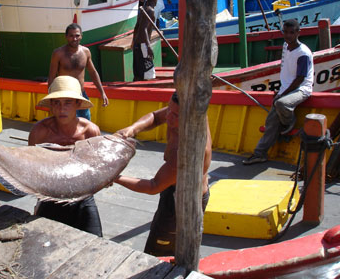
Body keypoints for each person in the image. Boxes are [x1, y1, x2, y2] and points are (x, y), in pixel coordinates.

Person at [114, 92, 212, 256]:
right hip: (172, 187)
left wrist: (114, 178)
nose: (168, 117)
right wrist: (133, 129)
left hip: (183, 203)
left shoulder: (189, 152)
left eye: (175, 115)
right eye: (169, 110)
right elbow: (155, 116)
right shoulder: (183, 111)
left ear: (192, 120)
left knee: (160, 252)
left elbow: (153, 186)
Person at [28, 75, 103, 236]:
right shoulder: (40, 132)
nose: (62, 109)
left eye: (68, 102)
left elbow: (98, 167)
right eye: (57, 102)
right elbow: (31, 168)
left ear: (77, 104)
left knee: (97, 242)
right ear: (51, 106)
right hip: (51, 198)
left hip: (83, 198)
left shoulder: (91, 131)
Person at [243, 19, 314, 165]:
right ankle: (260, 154)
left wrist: (284, 93)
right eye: (285, 32)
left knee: (281, 103)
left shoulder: (303, 53)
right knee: (270, 123)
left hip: (301, 89)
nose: (288, 36)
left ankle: (289, 122)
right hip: (287, 88)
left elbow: (300, 79)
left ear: (298, 33)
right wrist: (281, 90)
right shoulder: (286, 46)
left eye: (291, 33)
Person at [48, 23, 109, 120]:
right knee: (69, 125)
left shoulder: (86, 52)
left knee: (86, 122)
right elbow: (51, 77)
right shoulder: (58, 53)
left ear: (81, 36)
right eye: (71, 36)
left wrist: (102, 92)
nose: (74, 39)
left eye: (77, 35)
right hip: (65, 96)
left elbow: (93, 72)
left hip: (81, 94)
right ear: (66, 37)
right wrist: (51, 98)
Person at [133, 0, 157, 81]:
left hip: (137, 45)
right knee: (148, 74)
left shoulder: (143, 9)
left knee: (138, 72)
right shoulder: (150, 11)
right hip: (143, 45)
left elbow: (136, 27)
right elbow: (143, 29)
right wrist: (148, 46)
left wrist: (133, 42)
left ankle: (135, 91)